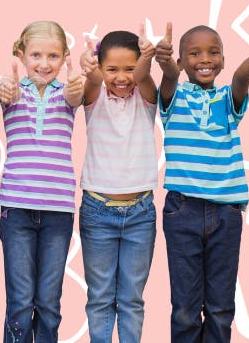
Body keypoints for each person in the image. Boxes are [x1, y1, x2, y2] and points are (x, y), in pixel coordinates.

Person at [155, 19, 249, 342]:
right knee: (184, 306)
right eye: (194, 54)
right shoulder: (174, 99)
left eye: (214, 52)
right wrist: (163, 58)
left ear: (223, 60)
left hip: (226, 213)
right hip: (182, 210)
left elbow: (242, 75)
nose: (205, 59)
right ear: (183, 62)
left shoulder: (228, 100)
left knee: (220, 306)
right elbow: (169, 75)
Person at [0, 21, 85, 343]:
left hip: (58, 213)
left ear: (64, 59)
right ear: (21, 54)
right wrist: (4, 87)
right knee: (20, 302)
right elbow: (0, 90)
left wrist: (76, 83)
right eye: (35, 55)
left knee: (48, 303)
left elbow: (77, 94)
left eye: (52, 56)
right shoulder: (11, 91)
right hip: (16, 210)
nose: (44, 64)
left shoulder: (68, 94)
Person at [78, 27, 158, 342]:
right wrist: (93, 68)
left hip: (140, 213)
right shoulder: (95, 100)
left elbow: (145, 78)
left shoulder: (146, 98)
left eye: (129, 69)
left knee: (131, 298)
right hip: (98, 213)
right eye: (112, 69)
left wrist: (148, 61)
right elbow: (94, 82)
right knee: (99, 296)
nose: (121, 77)